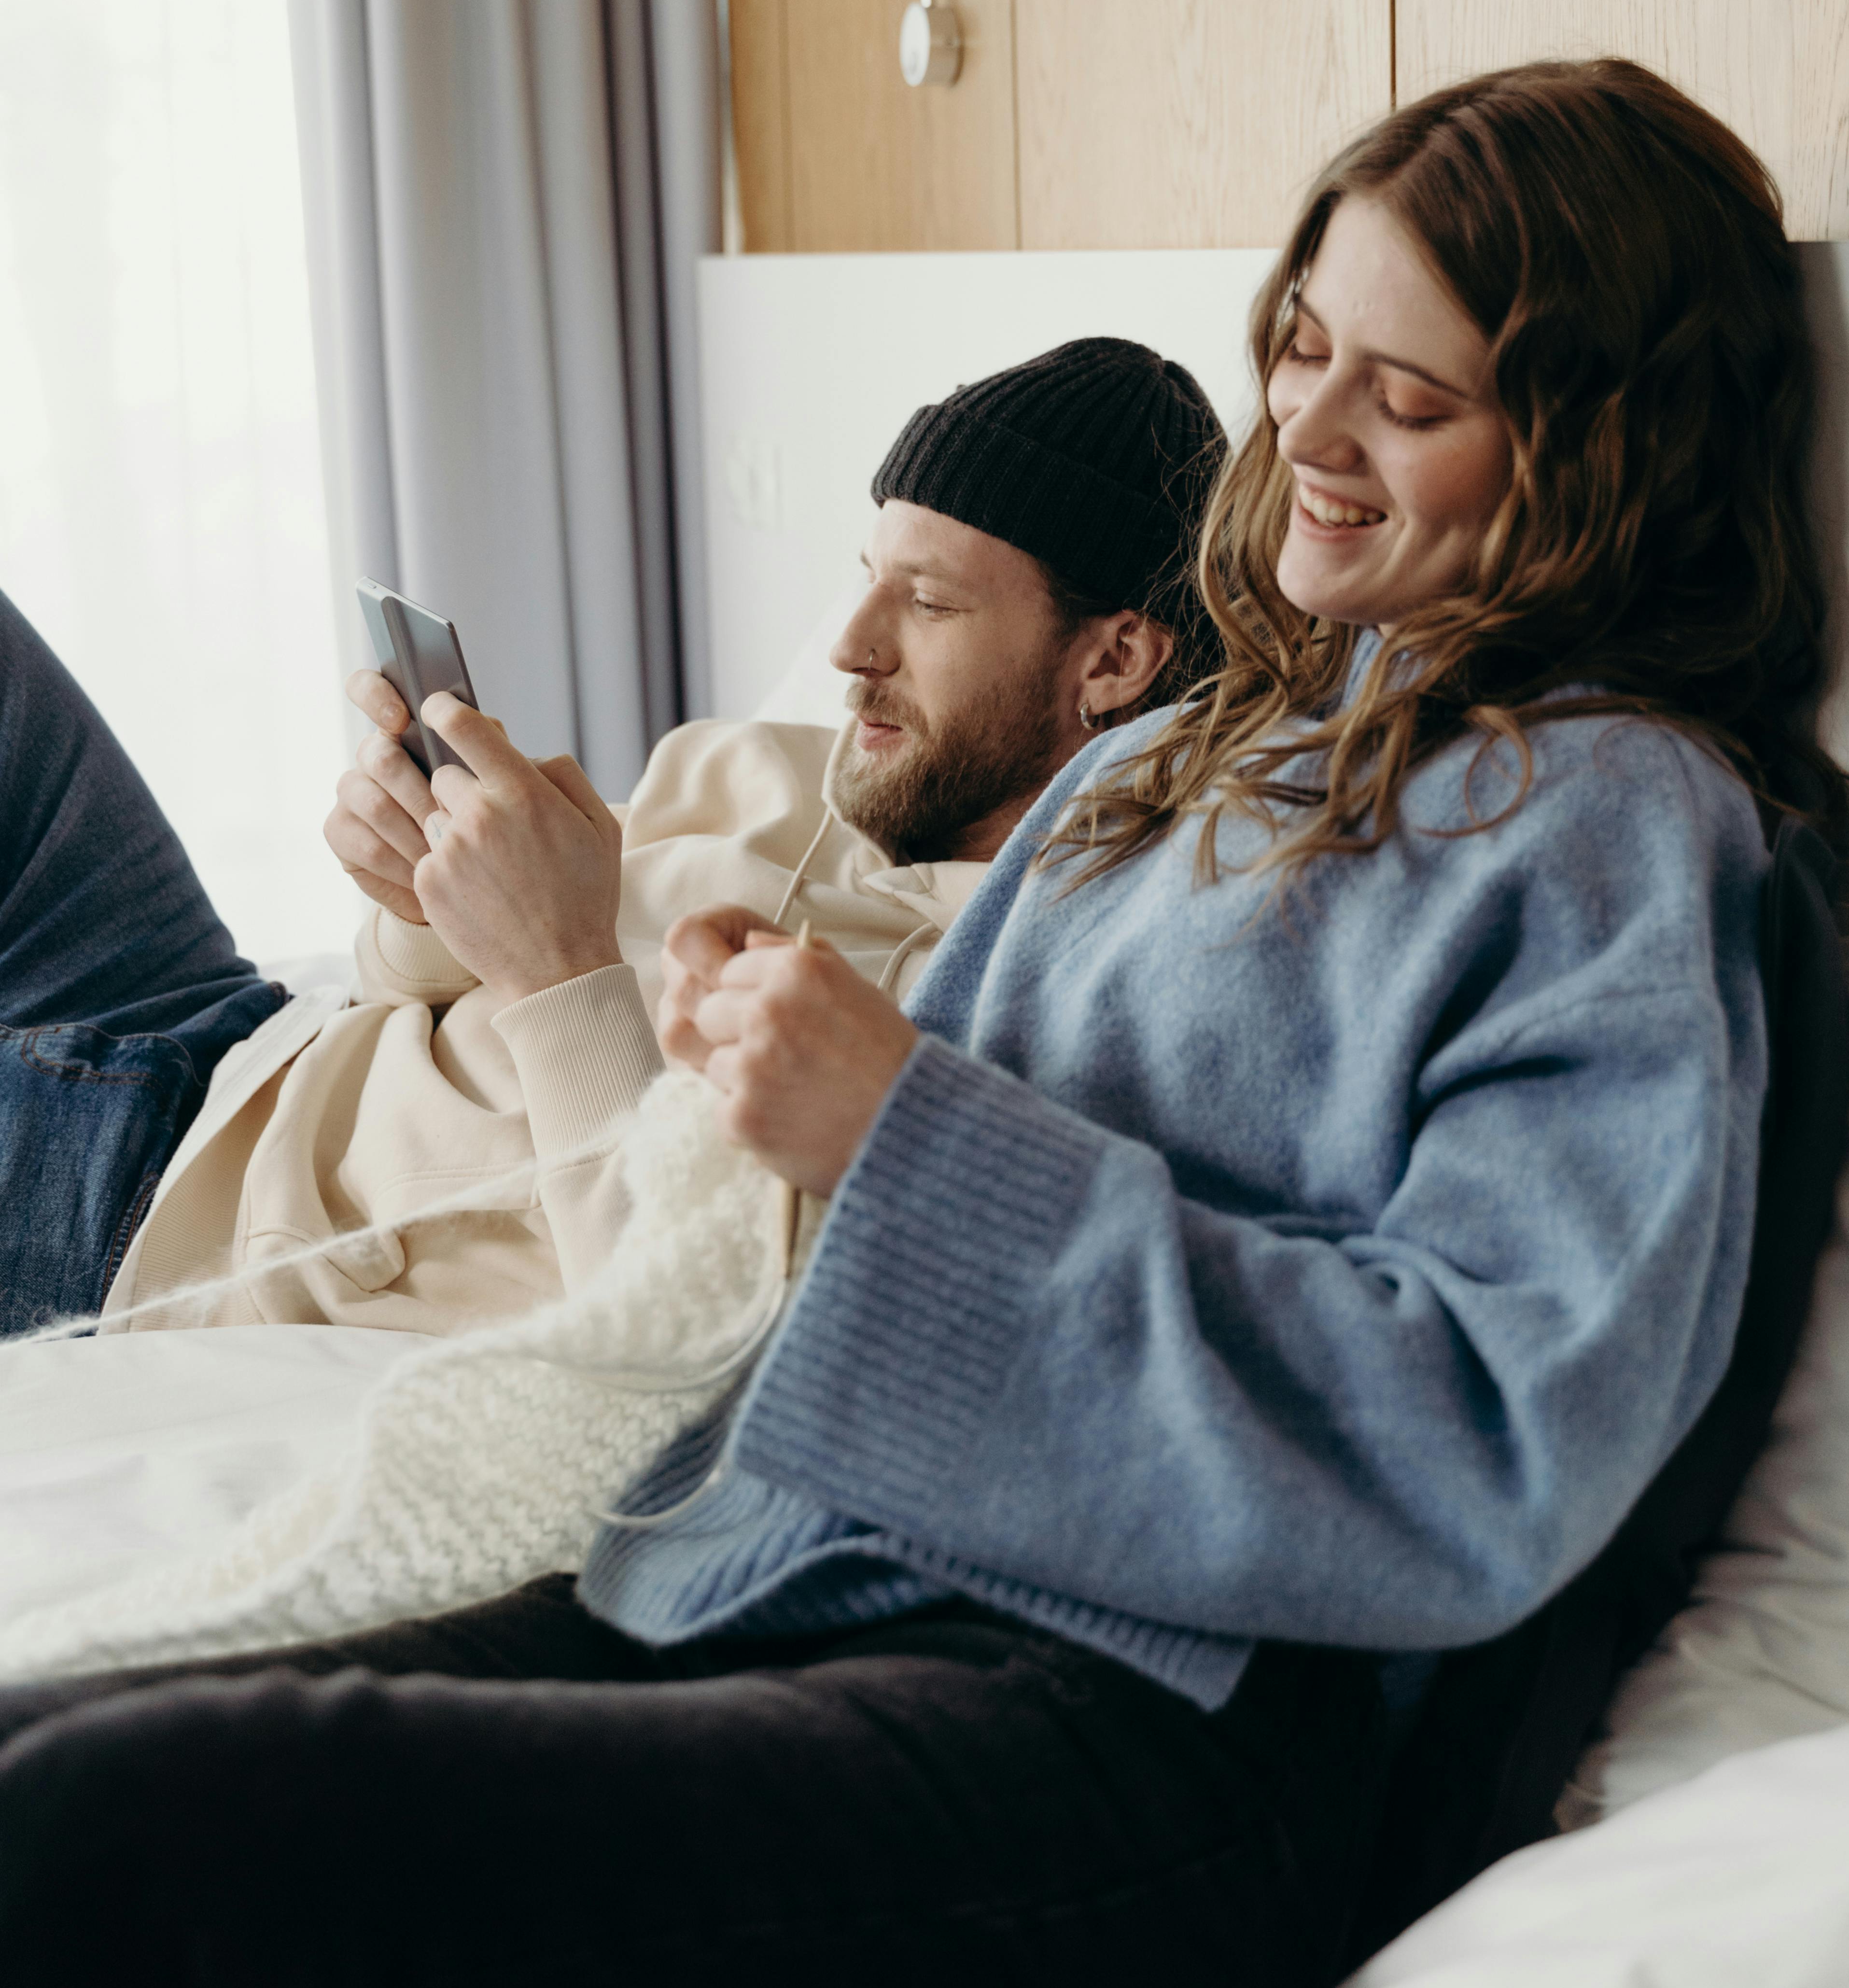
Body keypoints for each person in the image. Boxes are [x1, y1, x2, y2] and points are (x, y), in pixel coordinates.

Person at [0, 61, 1849, 1988]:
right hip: (809, 1566)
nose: (1307, 436)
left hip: (1148, 1710)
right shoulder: (1195, 769)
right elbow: (870, 1219)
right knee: (42, 1748)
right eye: (1302, 348)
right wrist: (746, 1066)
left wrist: (899, 1120)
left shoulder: (1606, 828)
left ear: (1599, 447)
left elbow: (1486, 1438)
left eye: (1405, 401)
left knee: (98, 1854)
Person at [0, 337, 1225, 1341]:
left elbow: (686, 1330)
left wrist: (559, 968)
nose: (850, 645)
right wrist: (422, 898)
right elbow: (404, 993)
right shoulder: (763, 767)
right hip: (230, 1040)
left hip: (142, 1211)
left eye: (931, 601)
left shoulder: (1006, 1002)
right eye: (868, 575)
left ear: (1114, 658)